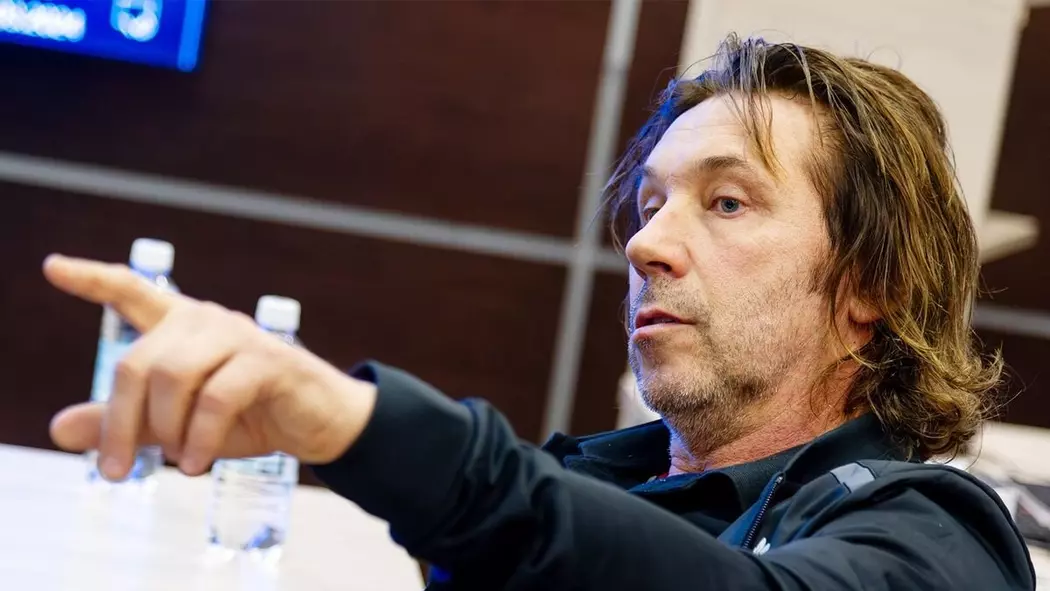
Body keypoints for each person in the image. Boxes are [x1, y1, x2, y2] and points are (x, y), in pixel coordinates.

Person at [42, 35, 1034, 590]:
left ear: (869, 287)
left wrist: (358, 426)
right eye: (650, 204)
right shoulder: (592, 482)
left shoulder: (936, 540)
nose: (645, 246)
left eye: (728, 202)